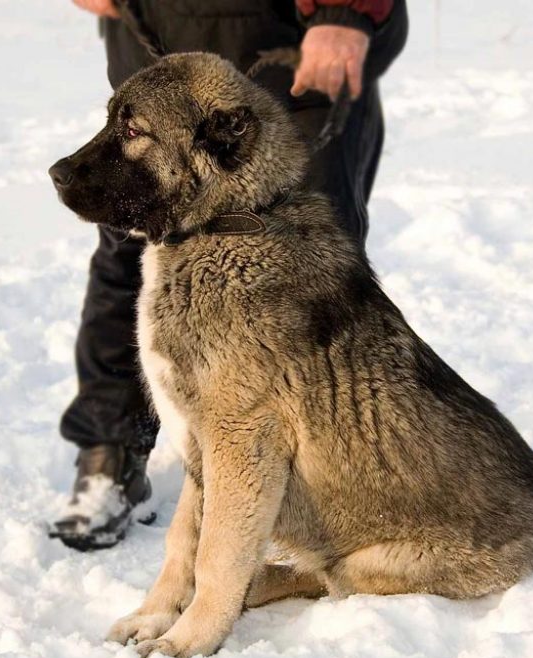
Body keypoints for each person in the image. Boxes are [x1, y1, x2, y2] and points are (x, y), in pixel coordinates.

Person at [52, 0, 408, 550]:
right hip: (153, 27)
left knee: (308, 258)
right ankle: (111, 450)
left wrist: (347, 11)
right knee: (126, 250)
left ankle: (327, 487)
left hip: (294, 39)